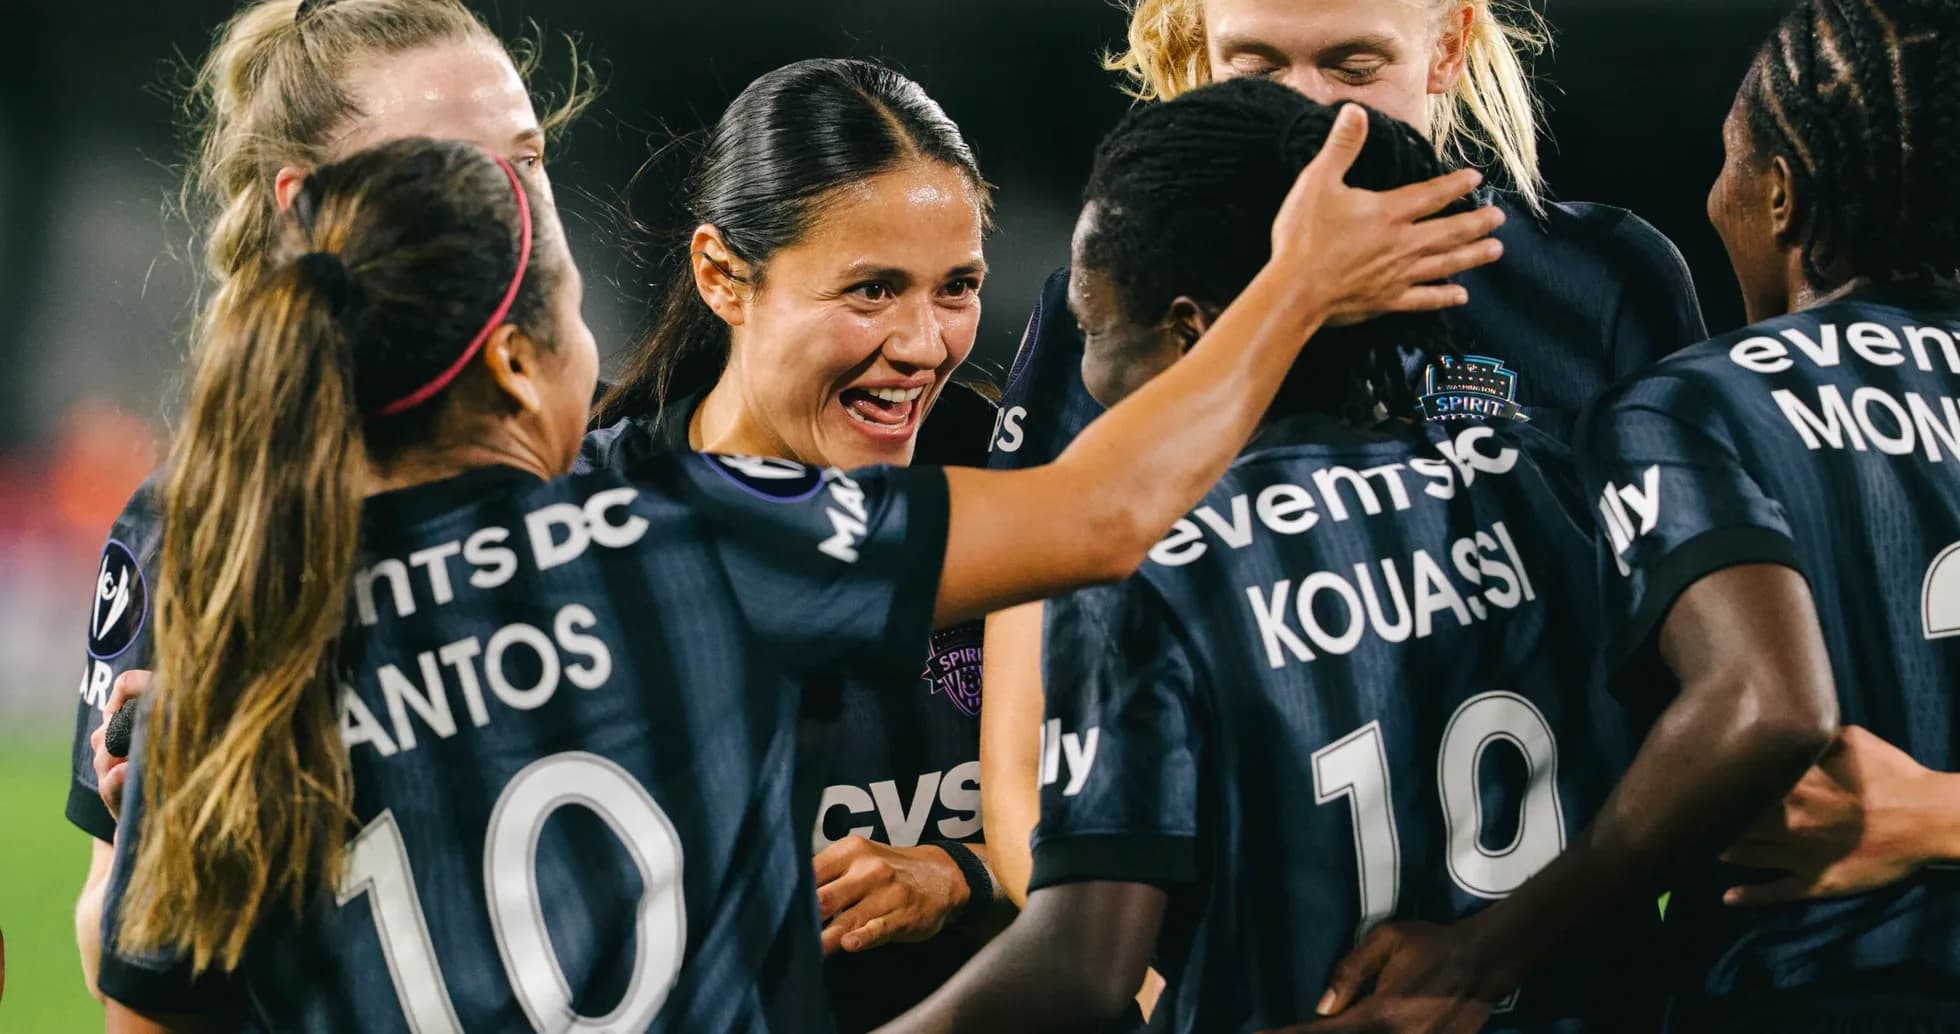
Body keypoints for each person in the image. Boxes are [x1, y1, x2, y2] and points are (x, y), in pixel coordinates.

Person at [92, 113, 1503, 1031]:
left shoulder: (224, 675)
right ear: (520, 361)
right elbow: (1108, 509)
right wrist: (1298, 286)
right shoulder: (682, 535)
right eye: (580, 314)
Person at [880, 77, 1657, 1034]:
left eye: (1092, 329)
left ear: (1194, 332)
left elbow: (1081, 965)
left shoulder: (1142, 570)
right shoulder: (1546, 483)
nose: (1083, 371)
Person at [979, 0, 1708, 928]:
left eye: (1353, 67)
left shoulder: (1601, 279)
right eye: (1257, 68)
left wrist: (1500, 960)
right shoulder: (1122, 304)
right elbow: (1022, 763)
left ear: (1447, 47)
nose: (1308, 113)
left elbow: (1701, 689)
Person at [1307, 0, 1960, 1030]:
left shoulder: (1692, 400)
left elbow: (1763, 706)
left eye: (1728, 163)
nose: (1714, 199)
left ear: (1779, 195)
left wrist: (1483, 949)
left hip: (1809, 984)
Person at [68, 0, 588, 1000]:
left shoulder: (621, 462)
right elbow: (108, 945)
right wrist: (173, 841)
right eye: (449, 170)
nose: (512, 209)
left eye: (527, 163)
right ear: (304, 208)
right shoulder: (194, 531)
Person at [585, 58, 1008, 1030]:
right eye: (870, 290)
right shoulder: (587, 519)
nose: (923, 343)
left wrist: (964, 873)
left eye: (956, 287)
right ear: (722, 276)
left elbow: (1139, 829)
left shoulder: (1010, 491)